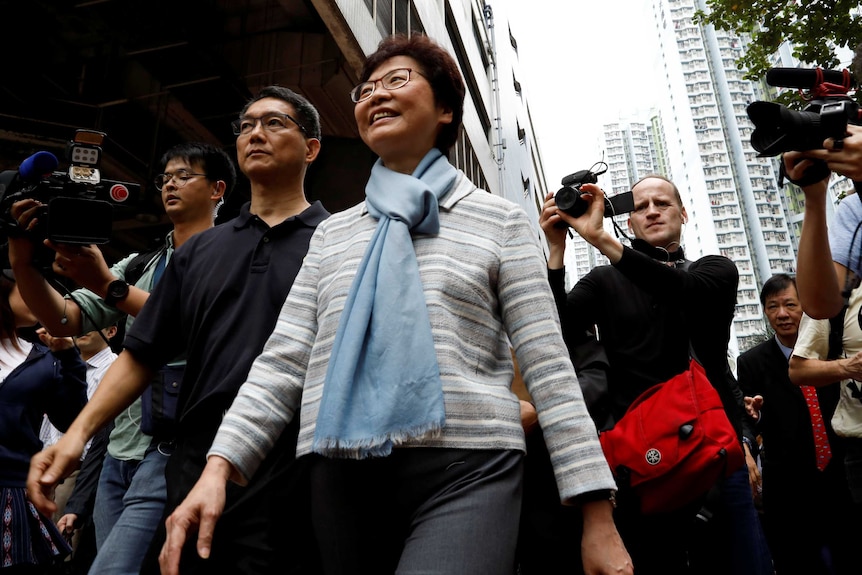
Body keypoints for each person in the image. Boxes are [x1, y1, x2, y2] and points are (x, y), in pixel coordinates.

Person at [159, 33, 631, 575]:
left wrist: (597, 513)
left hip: (469, 467)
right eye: (365, 89)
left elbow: (550, 368)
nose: (375, 95)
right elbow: (284, 361)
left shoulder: (500, 221)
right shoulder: (333, 234)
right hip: (338, 473)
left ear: (446, 109)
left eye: (398, 80)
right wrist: (219, 466)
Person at [27, 85, 329, 574]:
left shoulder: (337, 242)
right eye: (247, 125)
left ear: (311, 148)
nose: (256, 133)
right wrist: (76, 435)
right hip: (192, 465)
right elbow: (142, 354)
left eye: (275, 123)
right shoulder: (200, 253)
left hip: (294, 470)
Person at [10, 141, 236, 574]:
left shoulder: (232, 255)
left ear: (216, 189)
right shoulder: (140, 264)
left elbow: (192, 324)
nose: (170, 183)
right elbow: (63, 320)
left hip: (176, 447)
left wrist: (108, 285)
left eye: (184, 175)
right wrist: (23, 261)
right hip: (121, 447)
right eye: (165, 177)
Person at [538, 174, 772, 575]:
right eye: (640, 206)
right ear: (629, 223)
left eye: (662, 203)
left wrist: (602, 241)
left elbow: (679, 288)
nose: (651, 211)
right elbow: (554, 331)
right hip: (642, 456)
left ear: (683, 213)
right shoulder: (602, 280)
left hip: (718, 449)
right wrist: (556, 250)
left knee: (741, 563)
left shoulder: (714, 270)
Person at [738, 274, 856, 574]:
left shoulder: (833, 352)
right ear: (765, 311)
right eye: (773, 306)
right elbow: (749, 418)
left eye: (790, 304)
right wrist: (750, 426)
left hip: (842, 479)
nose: (782, 314)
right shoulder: (751, 362)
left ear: (806, 306)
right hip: (789, 490)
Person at [0, 269, 87, 573]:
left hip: (15, 490)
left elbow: (71, 420)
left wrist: (70, 358)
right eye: (28, 291)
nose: (41, 300)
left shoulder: (45, 359)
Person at [39, 326, 117, 573]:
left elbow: (100, 431)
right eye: (78, 324)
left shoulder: (116, 369)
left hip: (78, 469)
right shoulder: (58, 359)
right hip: (41, 467)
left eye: (90, 324)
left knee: (61, 553)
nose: (81, 330)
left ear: (112, 330)